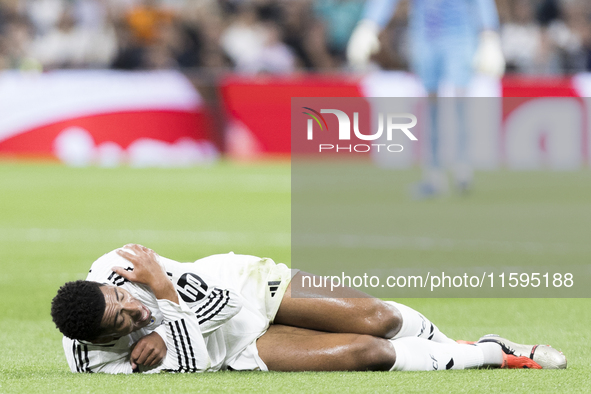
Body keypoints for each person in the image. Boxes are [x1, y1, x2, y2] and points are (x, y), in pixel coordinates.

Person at [51, 244, 566, 373]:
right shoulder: (89, 362)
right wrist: (172, 346)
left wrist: (164, 295)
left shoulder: (123, 266)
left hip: (245, 282)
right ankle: (491, 353)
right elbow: (195, 363)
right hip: (237, 348)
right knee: (365, 350)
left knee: (377, 318)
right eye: (121, 320)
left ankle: (446, 343)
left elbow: (225, 305)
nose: (132, 309)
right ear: (97, 341)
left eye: (123, 299)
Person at [347, 0, 506, 197]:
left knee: (460, 102)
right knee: (432, 105)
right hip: (425, 34)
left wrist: (489, 34)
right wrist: (369, 24)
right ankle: (434, 174)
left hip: (459, 33)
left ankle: (463, 168)